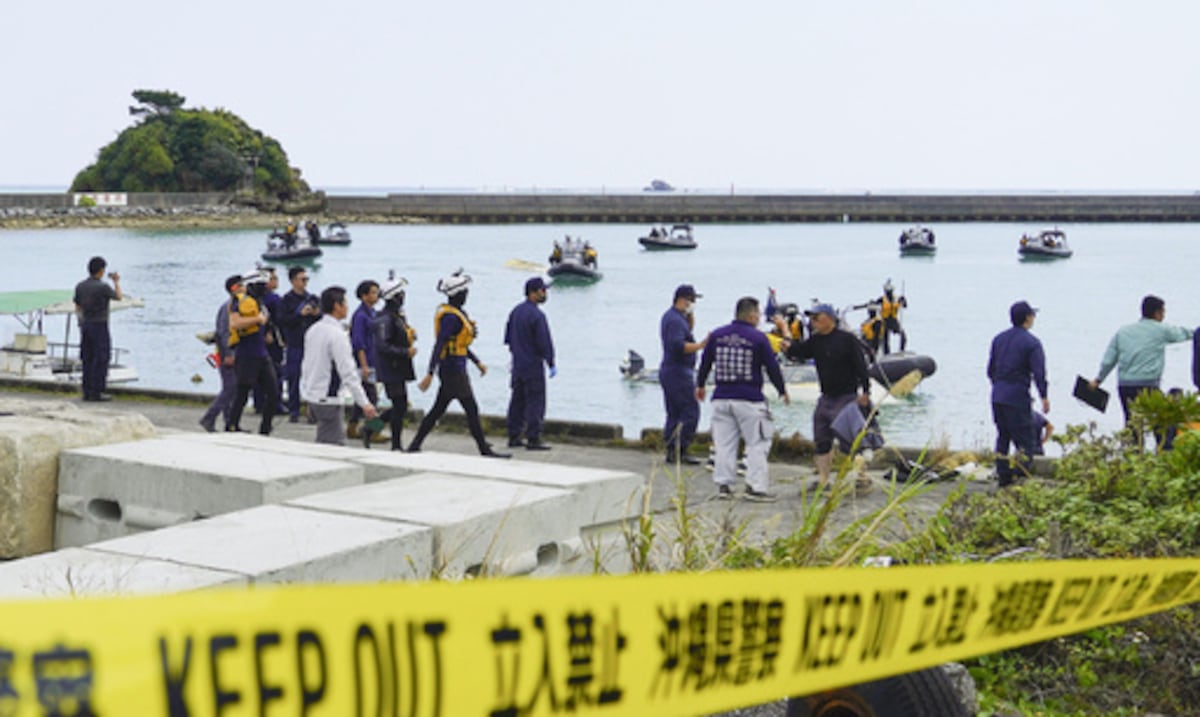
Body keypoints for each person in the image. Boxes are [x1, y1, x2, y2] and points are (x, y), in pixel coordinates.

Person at [406, 269, 510, 458]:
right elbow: (440, 345)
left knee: (438, 410)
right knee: (471, 408)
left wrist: (477, 362)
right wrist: (429, 372)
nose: (467, 295)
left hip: (454, 368)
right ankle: (484, 449)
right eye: (465, 292)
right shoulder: (451, 318)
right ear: (458, 294)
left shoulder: (456, 314)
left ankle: (415, 444)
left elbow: (458, 345)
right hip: (452, 370)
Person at [696, 297, 789, 502]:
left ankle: (724, 485)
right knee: (758, 442)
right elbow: (771, 367)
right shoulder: (757, 338)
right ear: (752, 315)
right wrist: (782, 390)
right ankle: (755, 487)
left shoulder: (717, 335)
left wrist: (700, 385)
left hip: (721, 397)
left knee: (724, 444)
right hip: (749, 398)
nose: (759, 318)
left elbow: (705, 363)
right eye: (758, 314)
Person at [783, 303, 872, 486]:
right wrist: (786, 342)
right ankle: (824, 480)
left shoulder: (847, 339)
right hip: (826, 397)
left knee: (851, 440)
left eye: (817, 317)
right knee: (821, 438)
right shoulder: (815, 341)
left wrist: (865, 391)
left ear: (830, 318)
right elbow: (799, 352)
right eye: (811, 318)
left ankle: (862, 476)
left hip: (847, 396)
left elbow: (861, 365)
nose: (813, 321)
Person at [1090, 295, 1192, 436]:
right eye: (1163, 312)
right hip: (1148, 386)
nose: (1163, 316)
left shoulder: (1123, 332)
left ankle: (1134, 454)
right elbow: (1184, 334)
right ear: (1157, 313)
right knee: (1161, 423)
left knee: (1132, 424)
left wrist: (1098, 380)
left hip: (1125, 386)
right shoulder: (1161, 329)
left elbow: (1109, 360)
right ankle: (1162, 452)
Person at [300, 286, 378, 445]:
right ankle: (370, 430)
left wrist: (307, 393)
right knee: (333, 446)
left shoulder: (313, 330)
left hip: (314, 396)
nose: (347, 307)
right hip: (329, 398)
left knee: (325, 442)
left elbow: (306, 365)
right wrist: (365, 403)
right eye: (345, 303)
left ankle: (367, 429)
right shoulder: (337, 335)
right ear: (337, 306)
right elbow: (347, 371)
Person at [987, 301, 1050, 487]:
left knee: (1003, 436)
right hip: (1017, 396)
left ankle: (1003, 475)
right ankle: (1019, 476)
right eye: (1032, 315)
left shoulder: (998, 339)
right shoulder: (1032, 343)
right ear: (1028, 318)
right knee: (1026, 441)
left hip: (997, 394)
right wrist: (1044, 396)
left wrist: (999, 385)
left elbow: (990, 370)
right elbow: (1039, 373)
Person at [366, 273, 418, 450]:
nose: (403, 297)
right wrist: (405, 351)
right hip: (390, 368)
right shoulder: (384, 319)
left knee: (400, 406)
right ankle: (394, 443)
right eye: (400, 294)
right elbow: (383, 346)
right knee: (399, 406)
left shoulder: (396, 316)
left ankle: (371, 429)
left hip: (398, 367)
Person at [225, 268, 279, 435]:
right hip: (246, 354)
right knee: (242, 393)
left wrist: (267, 332)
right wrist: (257, 320)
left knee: (273, 392)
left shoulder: (259, 302)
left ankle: (265, 428)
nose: (265, 288)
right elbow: (234, 323)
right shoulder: (238, 301)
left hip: (262, 353)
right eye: (261, 285)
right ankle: (232, 425)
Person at [504, 276, 556, 450]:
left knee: (517, 400)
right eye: (542, 290)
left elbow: (508, 339)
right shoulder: (537, 315)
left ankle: (514, 435)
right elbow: (544, 342)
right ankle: (533, 438)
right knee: (535, 401)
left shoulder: (515, 312)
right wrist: (551, 362)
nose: (545, 293)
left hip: (517, 364)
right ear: (533, 293)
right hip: (533, 364)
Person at [659, 284, 708, 464]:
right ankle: (681, 448)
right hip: (678, 371)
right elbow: (678, 346)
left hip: (671, 370)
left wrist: (690, 320)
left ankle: (672, 450)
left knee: (674, 412)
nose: (693, 304)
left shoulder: (675, 318)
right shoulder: (674, 320)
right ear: (682, 300)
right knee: (690, 411)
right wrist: (701, 345)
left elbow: (684, 335)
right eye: (691, 300)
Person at [73, 256, 122, 401]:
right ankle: (97, 391)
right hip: (100, 324)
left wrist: (81, 321)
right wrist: (116, 282)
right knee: (101, 357)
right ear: (101, 271)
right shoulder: (103, 287)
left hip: (85, 324)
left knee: (87, 357)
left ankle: (86, 390)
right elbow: (118, 297)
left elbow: (77, 306)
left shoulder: (80, 286)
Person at [199, 275, 242, 432]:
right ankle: (209, 417)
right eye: (241, 285)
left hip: (233, 352)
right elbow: (223, 333)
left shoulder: (236, 306)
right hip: (227, 354)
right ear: (234, 289)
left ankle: (229, 422)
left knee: (231, 388)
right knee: (230, 388)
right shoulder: (228, 308)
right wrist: (228, 354)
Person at [277, 266, 321, 422]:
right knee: (293, 377)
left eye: (307, 279)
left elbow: (321, 318)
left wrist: (316, 314)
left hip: (311, 343)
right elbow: (282, 321)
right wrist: (298, 315)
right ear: (293, 281)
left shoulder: (312, 298)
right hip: (294, 342)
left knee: (313, 378)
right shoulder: (286, 300)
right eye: (302, 279)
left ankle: (312, 412)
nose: (305, 282)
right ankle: (293, 410)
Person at [347, 280, 381, 440]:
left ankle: (352, 427)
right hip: (364, 361)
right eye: (373, 292)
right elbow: (358, 343)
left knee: (363, 395)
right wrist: (364, 365)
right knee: (372, 397)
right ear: (364, 295)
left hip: (373, 360)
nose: (376, 295)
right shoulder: (360, 316)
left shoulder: (372, 312)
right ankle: (373, 430)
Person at [253, 266, 285, 416]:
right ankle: (275, 404)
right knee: (276, 373)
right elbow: (278, 320)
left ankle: (259, 403)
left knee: (260, 374)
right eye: (273, 278)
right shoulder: (273, 299)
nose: (276, 281)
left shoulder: (254, 299)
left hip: (260, 340)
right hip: (272, 340)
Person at [876, 279, 907, 354]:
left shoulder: (897, 299)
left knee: (903, 336)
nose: (888, 293)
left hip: (893, 320)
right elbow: (875, 305)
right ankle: (886, 353)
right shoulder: (881, 299)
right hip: (885, 321)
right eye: (887, 291)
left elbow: (905, 306)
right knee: (885, 339)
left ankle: (901, 350)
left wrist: (903, 300)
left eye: (890, 291)